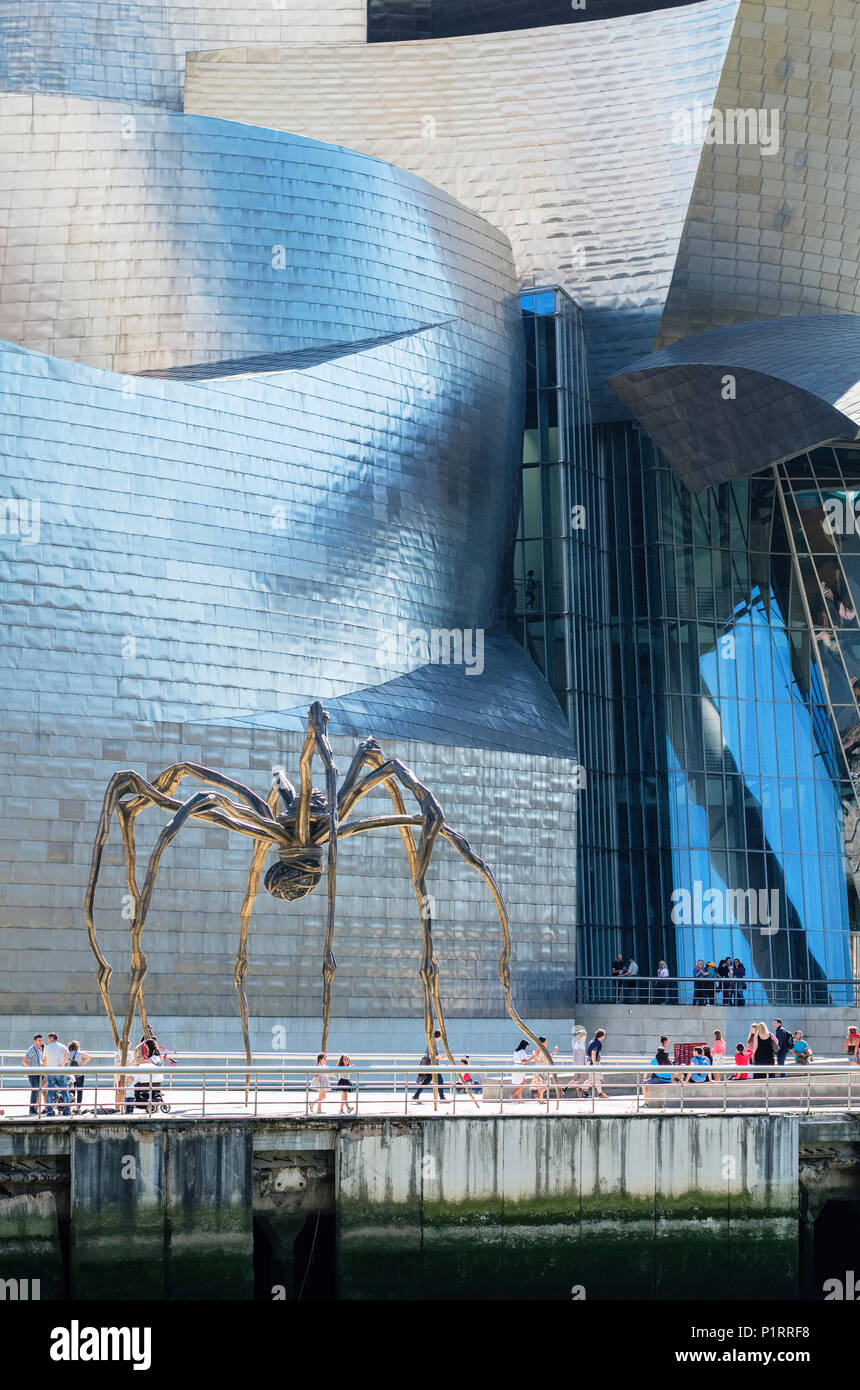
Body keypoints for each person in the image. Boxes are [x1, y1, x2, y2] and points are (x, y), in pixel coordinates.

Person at [412, 1029, 446, 1104]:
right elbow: (431, 1056)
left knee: (427, 1081)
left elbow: (433, 1056)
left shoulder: (433, 1043)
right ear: (440, 1036)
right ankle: (442, 1098)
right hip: (432, 1066)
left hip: (431, 1065)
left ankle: (416, 1095)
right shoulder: (433, 1043)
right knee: (440, 1080)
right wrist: (440, 1057)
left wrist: (439, 1056)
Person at [43, 1033, 71, 1116]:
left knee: (50, 1092)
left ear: (51, 1038)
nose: (47, 1041)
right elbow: (68, 1054)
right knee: (64, 1092)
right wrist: (62, 1064)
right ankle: (68, 1111)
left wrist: (45, 1071)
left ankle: (50, 1112)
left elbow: (45, 1060)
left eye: (48, 1039)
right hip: (60, 1071)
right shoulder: (62, 1046)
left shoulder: (47, 1048)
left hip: (50, 1072)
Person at [530, 1036, 559, 1105]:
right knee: (546, 1084)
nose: (547, 1042)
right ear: (543, 1042)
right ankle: (539, 1095)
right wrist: (553, 1053)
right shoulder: (540, 1049)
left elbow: (536, 1059)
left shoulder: (541, 1049)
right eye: (546, 1041)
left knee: (541, 1085)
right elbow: (540, 1059)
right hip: (541, 1068)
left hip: (540, 1068)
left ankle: (541, 1100)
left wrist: (553, 1053)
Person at [22, 1033, 44, 1116]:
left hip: (39, 1073)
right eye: (39, 1040)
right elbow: (24, 1061)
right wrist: (31, 1069)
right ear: (35, 1041)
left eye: (41, 1040)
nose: (41, 1042)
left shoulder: (39, 1049)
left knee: (37, 1090)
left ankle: (34, 1109)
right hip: (33, 1073)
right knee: (35, 1090)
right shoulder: (32, 1049)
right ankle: (31, 1109)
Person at [66, 1040, 91, 1114]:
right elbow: (89, 1056)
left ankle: (72, 1107)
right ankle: (79, 1107)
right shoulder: (79, 1053)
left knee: (71, 1091)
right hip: (79, 1074)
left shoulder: (67, 1054)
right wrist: (82, 1064)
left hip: (70, 1075)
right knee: (80, 1091)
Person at [582, 1029, 607, 1099]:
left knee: (596, 1079)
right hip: (593, 1063)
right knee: (593, 1079)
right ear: (602, 1036)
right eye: (604, 1035)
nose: (604, 1037)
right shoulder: (597, 1043)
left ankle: (599, 1093)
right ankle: (582, 1088)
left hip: (591, 1062)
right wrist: (595, 1065)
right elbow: (593, 1053)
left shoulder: (593, 1041)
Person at [567, 1025, 588, 1097]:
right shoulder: (581, 1045)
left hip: (577, 1065)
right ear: (583, 1037)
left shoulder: (577, 1043)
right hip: (580, 1065)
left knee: (578, 1079)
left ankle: (566, 1087)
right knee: (585, 1079)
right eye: (585, 1036)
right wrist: (582, 1067)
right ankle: (584, 1093)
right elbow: (580, 1057)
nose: (586, 1038)